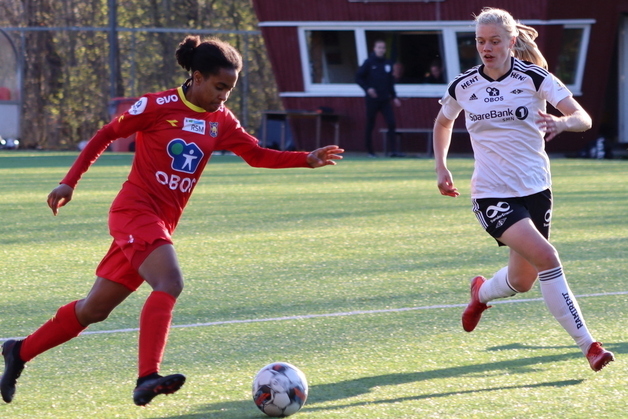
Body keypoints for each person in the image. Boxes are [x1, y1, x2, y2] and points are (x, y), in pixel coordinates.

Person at [0, 35, 344, 406]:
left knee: (94, 309)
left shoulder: (221, 120)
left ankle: (19, 351)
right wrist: (69, 181)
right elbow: (106, 133)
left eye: (229, 89)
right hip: (134, 212)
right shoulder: (157, 105)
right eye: (218, 86)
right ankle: (147, 376)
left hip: (158, 224)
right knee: (170, 281)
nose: (223, 96)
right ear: (196, 77)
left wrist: (304, 158)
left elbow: (256, 154)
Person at [433, 8, 614, 372]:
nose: (486, 48)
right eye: (480, 41)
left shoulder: (535, 77)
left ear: (512, 42)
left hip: (536, 190)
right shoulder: (464, 85)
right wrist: (442, 166)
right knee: (547, 256)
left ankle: (480, 294)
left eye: (494, 41)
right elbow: (443, 122)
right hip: (490, 193)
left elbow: (584, 118)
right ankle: (589, 345)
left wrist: (562, 122)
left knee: (522, 280)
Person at [356, 39, 402, 157]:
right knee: (370, 124)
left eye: (383, 48)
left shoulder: (388, 63)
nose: (381, 50)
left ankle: (393, 151)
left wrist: (394, 96)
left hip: (385, 99)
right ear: (374, 49)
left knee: (391, 123)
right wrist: (368, 89)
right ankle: (370, 151)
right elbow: (358, 78)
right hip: (372, 100)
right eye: (379, 47)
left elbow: (390, 82)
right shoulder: (369, 62)